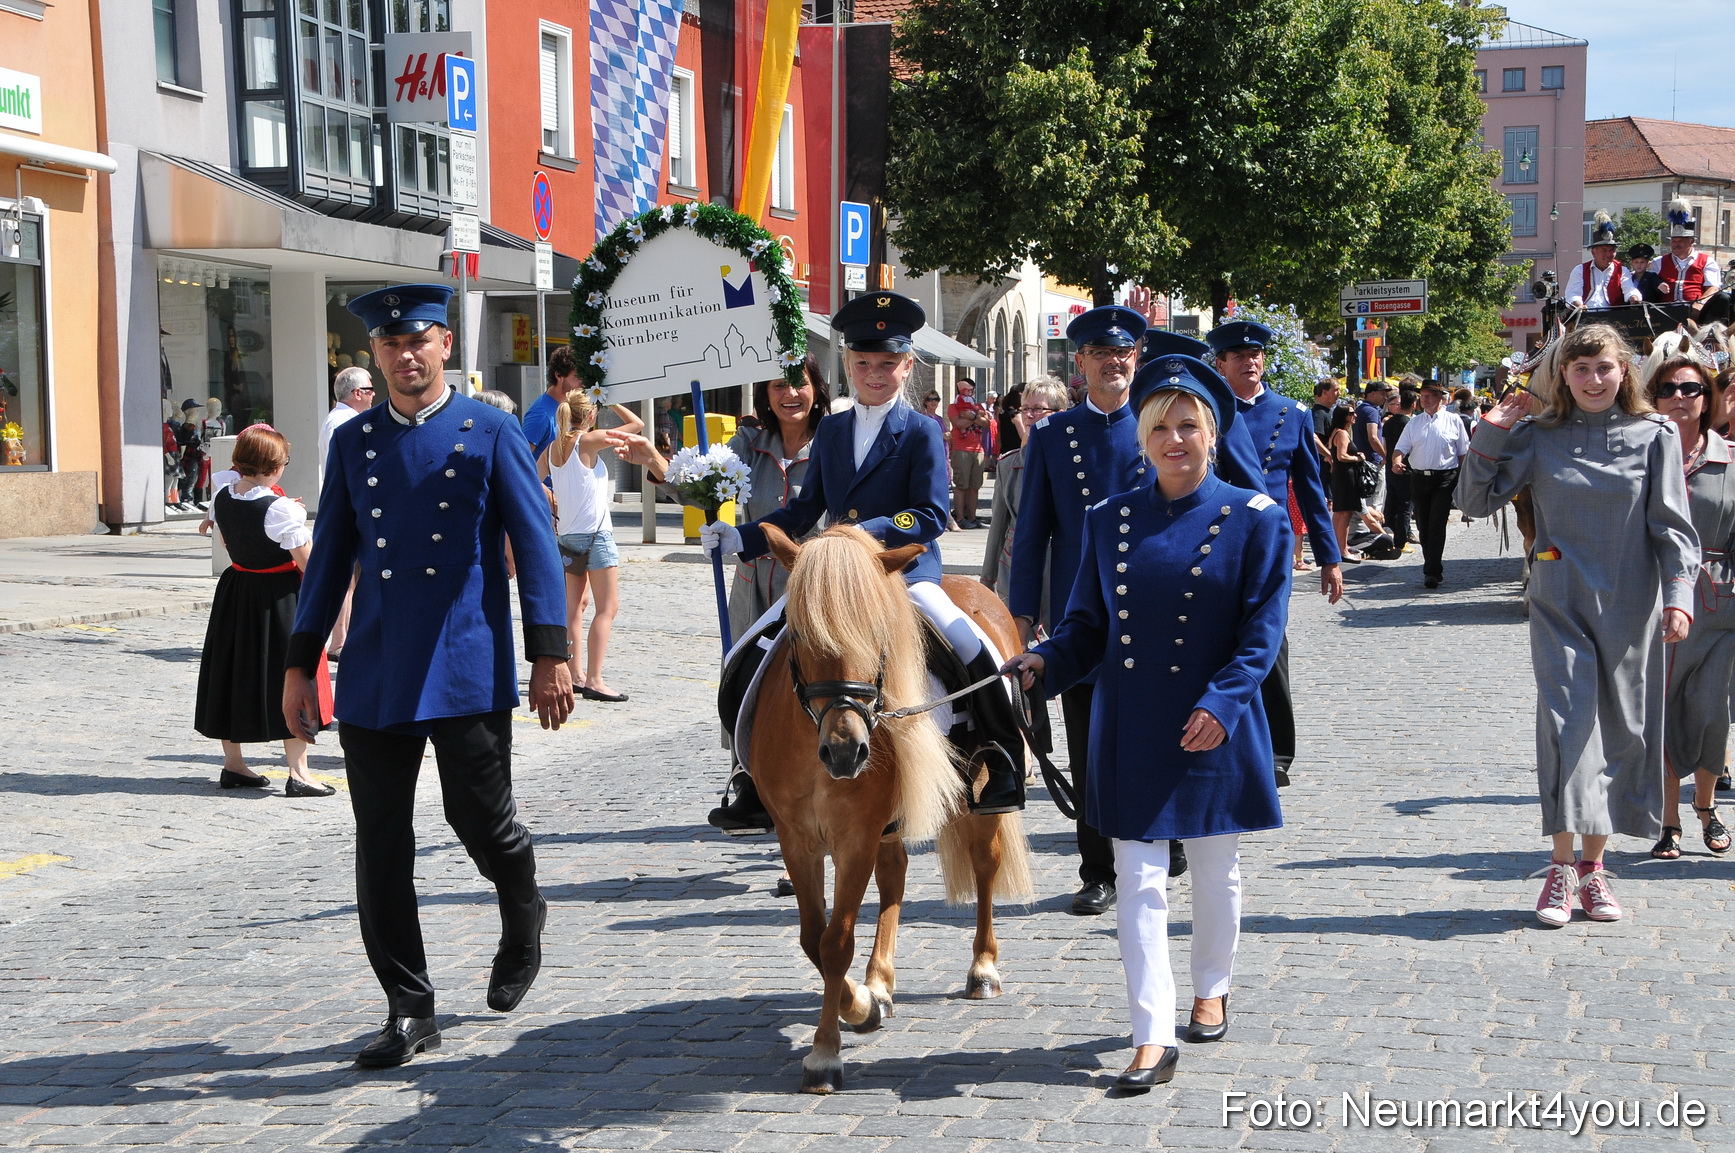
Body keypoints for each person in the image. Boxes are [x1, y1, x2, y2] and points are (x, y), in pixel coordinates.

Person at [282, 283, 574, 1066]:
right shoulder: (354, 443)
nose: (406, 356)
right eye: (389, 345)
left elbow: (535, 545)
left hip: (464, 660)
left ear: (446, 344)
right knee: (380, 844)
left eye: (419, 341)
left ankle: (523, 908)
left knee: (481, 820)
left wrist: (550, 652)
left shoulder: (491, 429)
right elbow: (330, 560)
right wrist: (301, 662)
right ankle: (409, 1006)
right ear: (373, 356)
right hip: (378, 667)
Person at [1003, 355, 1287, 1092]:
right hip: (1129, 722)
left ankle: (1211, 985)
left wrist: (1221, 704)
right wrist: (1043, 663)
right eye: (1158, 426)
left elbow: (1261, 636)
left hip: (1213, 723)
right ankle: (1150, 1034)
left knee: (1216, 873)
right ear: (1140, 436)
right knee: (1139, 879)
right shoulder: (1108, 519)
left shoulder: (1255, 521)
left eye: (1188, 424)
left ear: (1212, 434)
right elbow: (1087, 625)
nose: (1173, 438)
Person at [701, 292, 1024, 829]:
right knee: (748, 651)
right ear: (848, 365)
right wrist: (743, 538)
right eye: (864, 364)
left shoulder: (922, 431)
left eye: (887, 364)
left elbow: (929, 512)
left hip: (901, 572)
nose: (875, 374)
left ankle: (1000, 753)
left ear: (907, 366)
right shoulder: (832, 429)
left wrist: (856, 536)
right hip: (834, 577)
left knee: (971, 643)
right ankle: (750, 775)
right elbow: (806, 508)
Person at [1457, 324, 1697, 926]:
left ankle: (1595, 871)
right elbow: (1473, 501)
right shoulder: (1539, 436)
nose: (1593, 380)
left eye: (1604, 368)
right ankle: (1561, 870)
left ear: (1626, 373)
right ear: (1563, 375)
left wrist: (1680, 597)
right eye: (1580, 369)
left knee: (1621, 735)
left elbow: (1673, 528)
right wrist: (1492, 431)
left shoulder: (1656, 436)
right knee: (1571, 728)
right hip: (1560, 604)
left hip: (1632, 606)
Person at [1010, 305, 1152, 916]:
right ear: (1080, 364)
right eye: (1100, 354)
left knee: (1151, 732)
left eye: (1123, 353)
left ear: (1135, 358)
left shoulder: (1161, 424)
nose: (1113, 363)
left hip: (1154, 605)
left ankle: (1157, 834)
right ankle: (1097, 869)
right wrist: (1020, 616)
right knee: (1089, 745)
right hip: (1082, 614)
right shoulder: (1053, 435)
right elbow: (1033, 530)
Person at [1206, 320, 1344, 789]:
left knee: (1269, 644)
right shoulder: (1206, 412)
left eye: (1256, 354)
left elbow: (1309, 487)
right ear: (1219, 364)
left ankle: (1278, 750)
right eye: (1238, 356)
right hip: (1213, 542)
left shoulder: (1291, 412)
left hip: (1269, 547)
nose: (1250, 361)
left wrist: (1330, 556)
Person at [195, 424, 333, 798]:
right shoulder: (280, 508)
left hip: (237, 590)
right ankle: (299, 772)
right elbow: (307, 563)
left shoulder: (223, 496)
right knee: (291, 672)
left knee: (231, 670)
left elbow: (227, 541)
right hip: (279, 596)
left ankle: (234, 764)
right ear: (273, 466)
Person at [1644, 353, 1735, 858]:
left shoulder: (1731, 458)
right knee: (1658, 712)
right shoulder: (1638, 456)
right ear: (1652, 398)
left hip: (1718, 606)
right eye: (1668, 389)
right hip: (1651, 604)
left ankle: (1705, 806)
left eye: (1691, 389)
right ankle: (1668, 818)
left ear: (1708, 399)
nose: (1679, 396)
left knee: (1709, 712)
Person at [541, 391, 643, 703]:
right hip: (596, 535)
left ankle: (576, 675)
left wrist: (553, 506)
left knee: (575, 609)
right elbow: (636, 424)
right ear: (590, 416)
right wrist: (612, 398)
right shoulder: (588, 440)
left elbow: (532, 478)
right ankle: (596, 680)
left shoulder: (554, 447)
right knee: (607, 607)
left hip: (568, 535)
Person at [723, 359, 829, 642]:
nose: (790, 393)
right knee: (744, 680)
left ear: (817, 390)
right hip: (752, 593)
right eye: (779, 385)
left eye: (801, 383)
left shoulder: (834, 443)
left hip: (811, 589)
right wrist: (654, 460)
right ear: (765, 394)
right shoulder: (748, 441)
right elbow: (705, 488)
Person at [981, 377, 1068, 607]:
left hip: (1061, 570)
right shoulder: (1008, 464)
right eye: (1025, 409)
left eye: (1038, 409)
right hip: (1015, 567)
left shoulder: (1076, 463)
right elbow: (998, 526)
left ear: (1060, 413)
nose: (1029, 415)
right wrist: (987, 582)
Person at [1393, 379, 1470, 589]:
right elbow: (1400, 448)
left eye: (1429, 396)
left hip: (1445, 478)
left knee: (1437, 523)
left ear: (1440, 398)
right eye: (1423, 396)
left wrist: (1465, 479)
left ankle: (1432, 571)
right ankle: (1432, 563)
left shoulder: (1454, 421)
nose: (1424, 399)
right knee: (1423, 526)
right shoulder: (1414, 423)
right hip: (1418, 478)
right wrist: (1397, 461)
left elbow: (1463, 453)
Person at [1565, 214, 1643, 311]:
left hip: (1613, 318)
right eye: (1604, 250)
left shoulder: (1622, 270)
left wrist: (1634, 298)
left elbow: (1629, 289)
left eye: (1611, 250)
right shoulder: (1579, 270)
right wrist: (1578, 305)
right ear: (1594, 252)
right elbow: (1573, 294)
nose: (1608, 254)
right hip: (1585, 316)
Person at [1657, 199, 1724, 312]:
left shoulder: (1707, 261)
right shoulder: (1658, 261)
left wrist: (1700, 303)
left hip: (1695, 309)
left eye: (1681, 241)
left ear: (1691, 242)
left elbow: (1713, 287)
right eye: (1673, 241)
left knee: (1723, 298)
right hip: (1666, 310)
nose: (1675, 244)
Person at [522, 346, 582, 461]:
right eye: (577, 377)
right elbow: (520, 459)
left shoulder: (571, 407)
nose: (582, 383)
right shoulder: (541, 414)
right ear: (558, 375)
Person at [1327, 405, 1367, 563]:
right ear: (1343, 416)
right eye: (1351, 413)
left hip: (1340, 475)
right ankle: (1343, 550)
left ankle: (1338, 547)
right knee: (1345, 513)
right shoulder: (1342, 433)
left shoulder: (1335, 432)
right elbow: (1342, 455)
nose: (1355, 416)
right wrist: (1358, 458)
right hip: (1345, 476)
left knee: (1339, 513)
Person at [321, 366, 375, 476]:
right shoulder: (341, 421)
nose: (373, 394)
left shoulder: (343, 419)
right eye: (370, 390)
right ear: (358, 393)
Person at [1382, 383, 1416, 556]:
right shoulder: (1410, 424)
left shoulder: (1388, 423)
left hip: (1390, 465)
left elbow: (1386, 446)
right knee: (1404, 506)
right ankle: (1401, 541)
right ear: (1414, 405)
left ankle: (1391, 535)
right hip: (1406, 467)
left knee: (1392, 502)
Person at [948, 397, 990, 529]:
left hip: (978, 450)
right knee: (961, 485)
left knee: (974, 487)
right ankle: (960, 518)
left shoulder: (978, 407)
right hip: (961, 449)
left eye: (971, 390)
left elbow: (987, 423)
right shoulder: (953, 407)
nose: (969, 393)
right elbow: (958, 423)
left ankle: (972, 518)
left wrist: (971, 416)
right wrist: (976, 418)